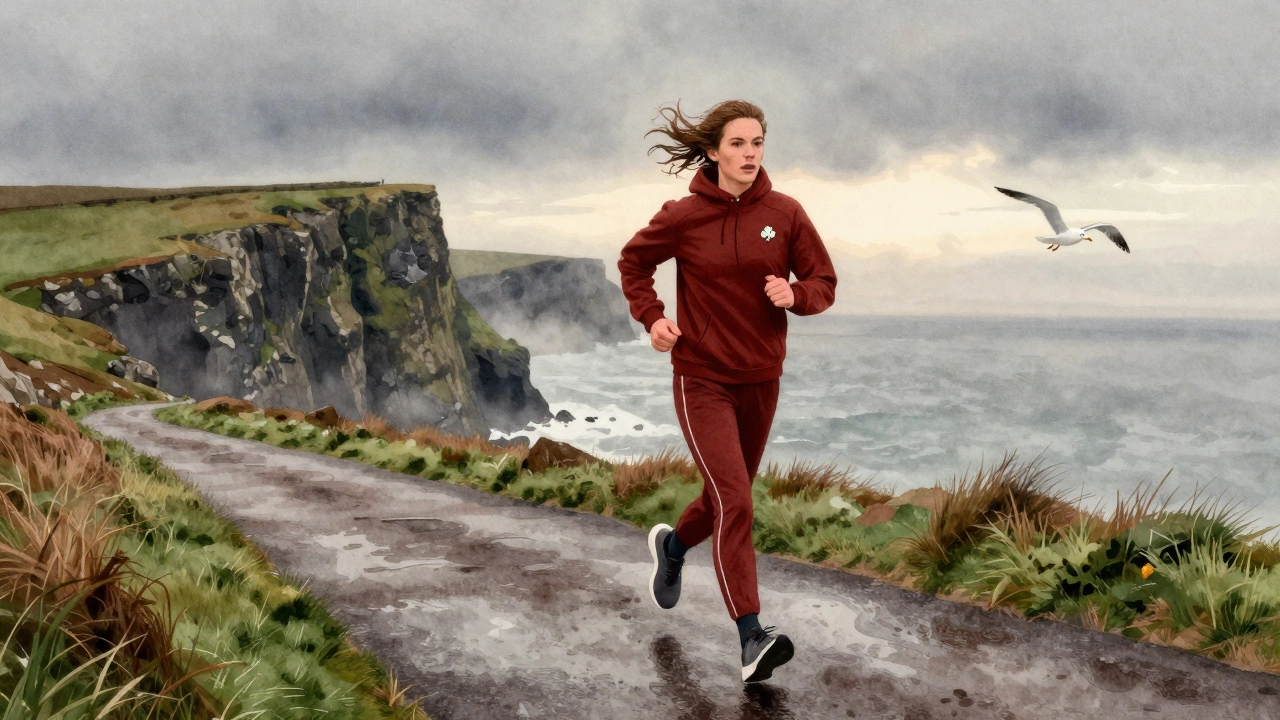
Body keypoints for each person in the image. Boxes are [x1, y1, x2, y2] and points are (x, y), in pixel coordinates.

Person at [617, 99, 837, 683]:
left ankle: (671, 549)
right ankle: (751, 637)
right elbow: (633, 263)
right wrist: (654, 317)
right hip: (702, 378)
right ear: (713, 151)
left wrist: (798, 295)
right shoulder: (683, 215)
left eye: (757, 142)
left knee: (723, 499)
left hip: (761, 380)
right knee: (737, 500)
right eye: (738, 143)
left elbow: (824, 281)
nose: (749, 153)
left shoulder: (786, 213)